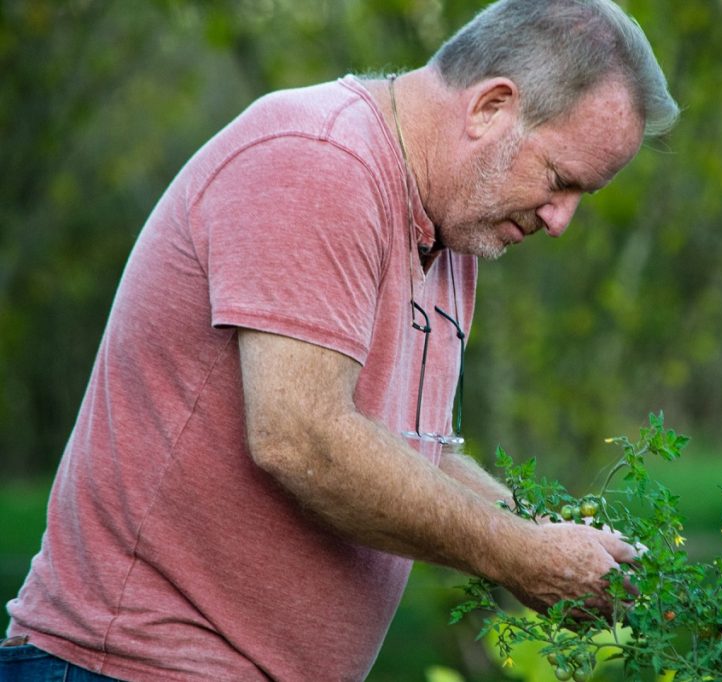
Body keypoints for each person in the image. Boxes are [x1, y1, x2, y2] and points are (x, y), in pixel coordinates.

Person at [2, 0, 679, 679]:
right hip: (126, 665)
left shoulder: (453, 232)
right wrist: (519, 556)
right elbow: (301, 436)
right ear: (489, 109)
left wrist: (555, 541)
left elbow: (416, 453)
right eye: (561, 181)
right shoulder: (319, 160)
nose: (561, 220)